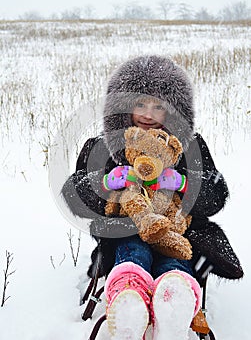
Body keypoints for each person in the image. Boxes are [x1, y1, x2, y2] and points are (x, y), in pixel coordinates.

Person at [62, 55, 243, 339]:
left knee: (175, 260)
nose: (148, 114)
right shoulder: (101, 146)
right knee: (133, 248)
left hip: (179, 231)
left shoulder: (189, 146)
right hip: (126, 231)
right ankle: (129, 299)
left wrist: (183, 183)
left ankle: (174, 300)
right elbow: (75, 193)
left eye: (158, 106)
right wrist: (106, 182)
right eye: (140, 104)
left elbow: (216, 193)